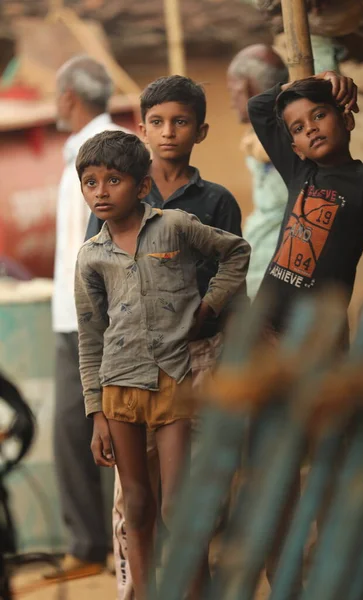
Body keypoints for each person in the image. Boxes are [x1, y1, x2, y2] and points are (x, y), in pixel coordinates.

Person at [85, 75, 244, 600]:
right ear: (142, 129)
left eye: (179, 122)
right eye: (157, 122)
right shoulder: (106, 210)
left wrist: (210, 307)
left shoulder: (208, 203)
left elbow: (234, 261)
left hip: (191, 363)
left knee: (189, 495)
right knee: (135, 501)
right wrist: (96, 407)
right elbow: (97, 316)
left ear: (200, 130)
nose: (168, 132)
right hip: (125, 371)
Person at [248, 71, 363, 595]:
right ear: (289, 143)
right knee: (275, 462)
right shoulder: (298, 170)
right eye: (297, 126)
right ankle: (282, 577)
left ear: (344, 115)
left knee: (327, 453)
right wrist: (315, 82)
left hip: (321, 344)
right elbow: (258, 106)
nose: (309, 129)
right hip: (266, 336)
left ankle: (335, 568)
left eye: (319, 114)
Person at [50, 54, 127, 580]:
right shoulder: (93, 148)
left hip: (86, 321)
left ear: (70, 98)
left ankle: (91, 546)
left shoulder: (95, 153)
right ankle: (99, 544)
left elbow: (100, 246)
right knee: (88, 431)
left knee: (86, 431)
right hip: (79, 317)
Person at [227, 44, 289, 300]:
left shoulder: (288, 134)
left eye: (233, 90)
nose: (231, 101)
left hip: (281, 276)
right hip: (260, 274)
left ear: (246, 87)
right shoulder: (256, 140)